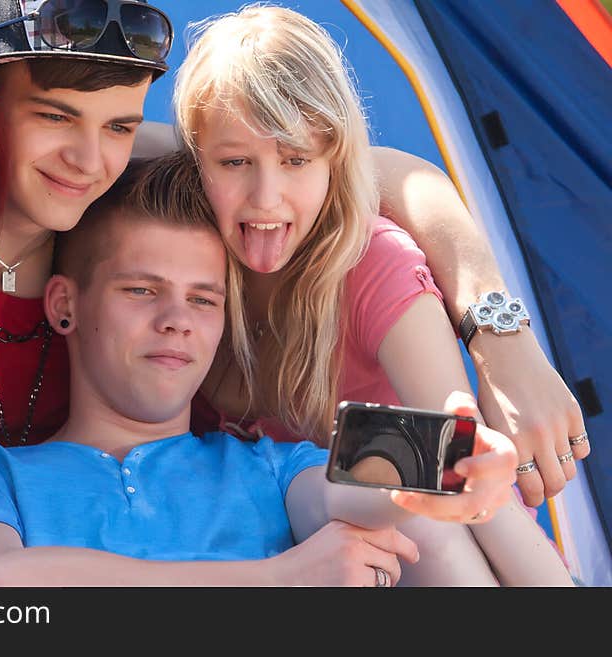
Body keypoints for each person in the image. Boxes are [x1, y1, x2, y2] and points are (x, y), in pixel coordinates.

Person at [0, 0, 585, 534]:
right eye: (57, 116)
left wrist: (498, 353)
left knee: (447, 520)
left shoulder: (119, 184)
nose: (87, 157)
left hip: (174, 493)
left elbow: (388, 173)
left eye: (116, 126)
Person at [0, 155, 572, 587]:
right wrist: (278, 579)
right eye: (142, 289)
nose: (178, 319)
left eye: (204, 298)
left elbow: (355, 483)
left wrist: (457, 460)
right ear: (64, 306)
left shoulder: (270, 467)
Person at [175, 4, 583, 524]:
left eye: (296, 160)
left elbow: (465, 471)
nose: (265, 196)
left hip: (412, 537)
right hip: (283, 548)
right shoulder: (179, 255)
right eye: (234, 163)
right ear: (194, 162)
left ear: (335, 160)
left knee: (420, 503)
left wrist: (503, 342)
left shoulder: (371, 263)